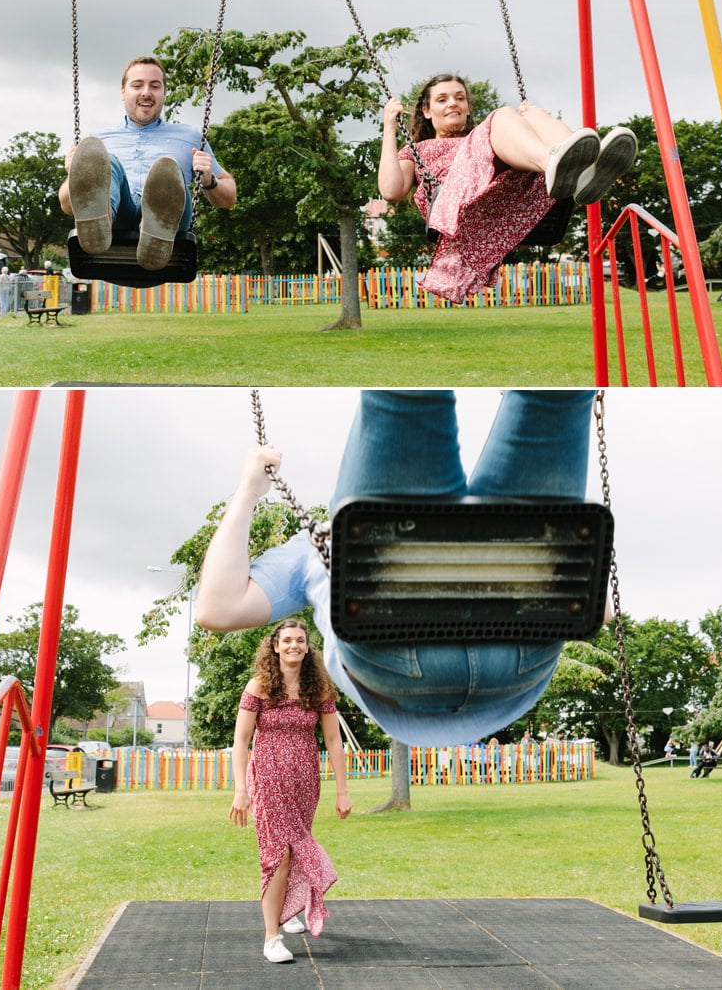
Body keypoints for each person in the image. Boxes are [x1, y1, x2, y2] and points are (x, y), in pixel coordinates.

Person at [196, 390, 599, 750]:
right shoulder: (316, 544)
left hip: (461, 663)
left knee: (412, 399)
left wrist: (247, 491)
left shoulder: (314, 549)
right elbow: (216, 610)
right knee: (549, 398)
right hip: (514, 643)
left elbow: (219, 608)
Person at [377, 75, 638, 303]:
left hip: (511, 191)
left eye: (460, 98)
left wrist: (533, 117)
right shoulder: (418, 150)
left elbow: (505, 139)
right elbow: (391, 190)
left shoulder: (486, 138)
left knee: (532, 116)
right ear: (426, 110)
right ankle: (555, 164)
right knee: (503, 115)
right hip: (463, 202)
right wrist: (389, 126)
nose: (453, 103)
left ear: (468, 107)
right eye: (442, 99)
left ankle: (581, 174)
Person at [229, 619, 351, 964]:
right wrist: (241, 790)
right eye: (287, 640)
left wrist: (342, 792)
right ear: (275, 646)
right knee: (276, 855)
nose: (294, 645)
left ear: (308, 647)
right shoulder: (260, 686)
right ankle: (271, 937)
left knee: (295, 849)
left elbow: (333, 741)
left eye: (300, 640)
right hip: (267, 779)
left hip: (304, 782)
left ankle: (289, 908)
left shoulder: (319, 690)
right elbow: (241, 741)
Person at [58, 56, 237, 271]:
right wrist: (75, 174)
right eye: (137, 85)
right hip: (118, 218)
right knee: (106, 161)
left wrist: (210, 180)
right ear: (123, 91)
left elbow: (229, 198)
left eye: (155, 86)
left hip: (171, 226)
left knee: (167, 171)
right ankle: (98, 225)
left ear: (164, 93)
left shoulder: (190, 137)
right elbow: (67, 206)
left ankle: (157, 232)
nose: (146, 92)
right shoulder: (97, 141)